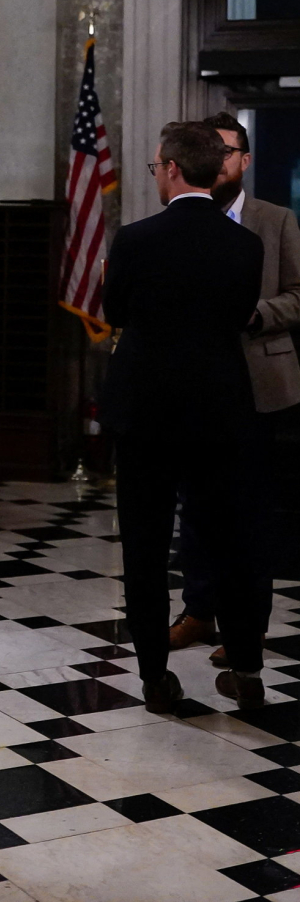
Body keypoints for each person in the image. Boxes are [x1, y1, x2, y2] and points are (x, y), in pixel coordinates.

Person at [101, 121, 266, 714]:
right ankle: (247, 670)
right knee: (233, 541)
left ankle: (154, 678)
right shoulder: (246, 245)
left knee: (144, 548)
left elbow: (115, 311)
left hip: (145, 414)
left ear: (171, 169)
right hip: (220, 411)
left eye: (156, 167)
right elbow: (239, 315)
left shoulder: (134, 239)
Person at [168, 111, 300, 661]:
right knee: (195, 507)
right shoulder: (176, 218)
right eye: (211, 149)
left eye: (228, 151)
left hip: (258, 384)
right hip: (194, 387)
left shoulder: (276, 220)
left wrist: (254, 314)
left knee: (250, 512)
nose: (219, 160)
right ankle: (199, 612)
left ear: (244, 160)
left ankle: (249, 629)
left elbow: (298, 295)